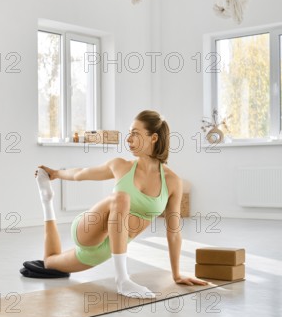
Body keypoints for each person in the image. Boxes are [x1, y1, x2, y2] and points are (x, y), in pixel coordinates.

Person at [35, 110, 207, 298]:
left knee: (49, 263)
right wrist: (56, 174)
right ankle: (122, 279)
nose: (128, 139)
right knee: (121, 198)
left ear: (154, 138)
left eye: (135, 133)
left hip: (108, 250)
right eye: (129, 133)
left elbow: (173, 233)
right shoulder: (120, 166)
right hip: (88, 230)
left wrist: (176, 275)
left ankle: (46, 200)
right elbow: (80, 173)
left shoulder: (172, 181)